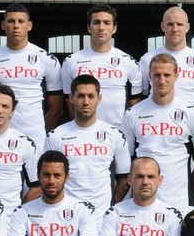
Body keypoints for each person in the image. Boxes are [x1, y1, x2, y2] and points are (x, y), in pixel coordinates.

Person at [122, 53, 194, 210]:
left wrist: (191, 193)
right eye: (157, 75)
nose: (161, 80)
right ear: (149, 76)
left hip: (180, 202)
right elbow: (127, 161)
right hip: (142, 203)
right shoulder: (132, 114)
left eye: (167, 75)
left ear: (176, 76)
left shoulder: (192, 114)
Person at [0, 3, 62, 149]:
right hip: (2, 136)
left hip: (36, 137)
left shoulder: (47, 59)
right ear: (3, 25)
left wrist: (41, 129)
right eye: (11, 21)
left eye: (21, 21)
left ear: (29, 25)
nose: (16, 26)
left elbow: (56, 108)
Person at [44, 74, 131, 213]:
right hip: (67, 218)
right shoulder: (56, 136)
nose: (86, 102)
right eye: (80, 96)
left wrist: (109, 209)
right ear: (71, 98)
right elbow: (48, 178)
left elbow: (124, 179)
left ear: (99, 98)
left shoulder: (115, 135)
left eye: (91, 96)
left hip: (102, 219)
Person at [60, 4, 142, 128]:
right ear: (89, 27)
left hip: (118, 133)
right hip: (83, 132)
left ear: (114, 28)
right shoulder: (71, 62)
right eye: (96, 22)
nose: (101, 27)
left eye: (106, 23)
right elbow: (71, 105)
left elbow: (134, 108)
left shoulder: (129, 62)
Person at [139, 5, 194, 111]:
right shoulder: (147, 59)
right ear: (163, 26)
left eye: (180, 24)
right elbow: (142, 96)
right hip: (155, 120)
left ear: (187, 27)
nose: (175, 29)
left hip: (189, 123)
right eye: (170, 24)